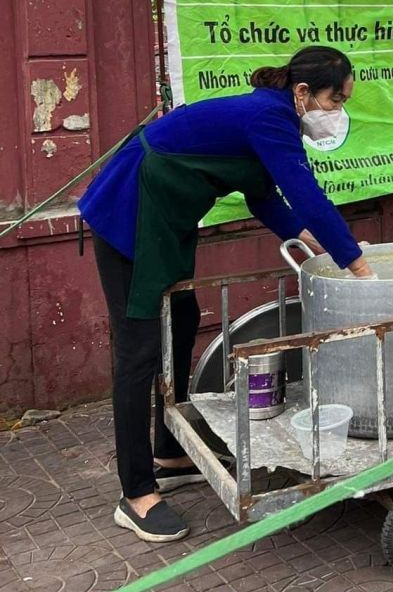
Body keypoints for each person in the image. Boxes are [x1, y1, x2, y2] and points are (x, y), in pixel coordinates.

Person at [78, 46, 374, 545]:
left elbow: (265, 198)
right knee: (138, 351)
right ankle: (136, 493)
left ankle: (169, 452)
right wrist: (360, 267)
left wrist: (317, 242)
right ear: (302, 91)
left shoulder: (271, 116)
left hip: (166, 222)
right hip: (130, 214)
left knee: (181, 322)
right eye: (335, 99)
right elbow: (306, 193)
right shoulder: (270, 117)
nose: (336, 111)